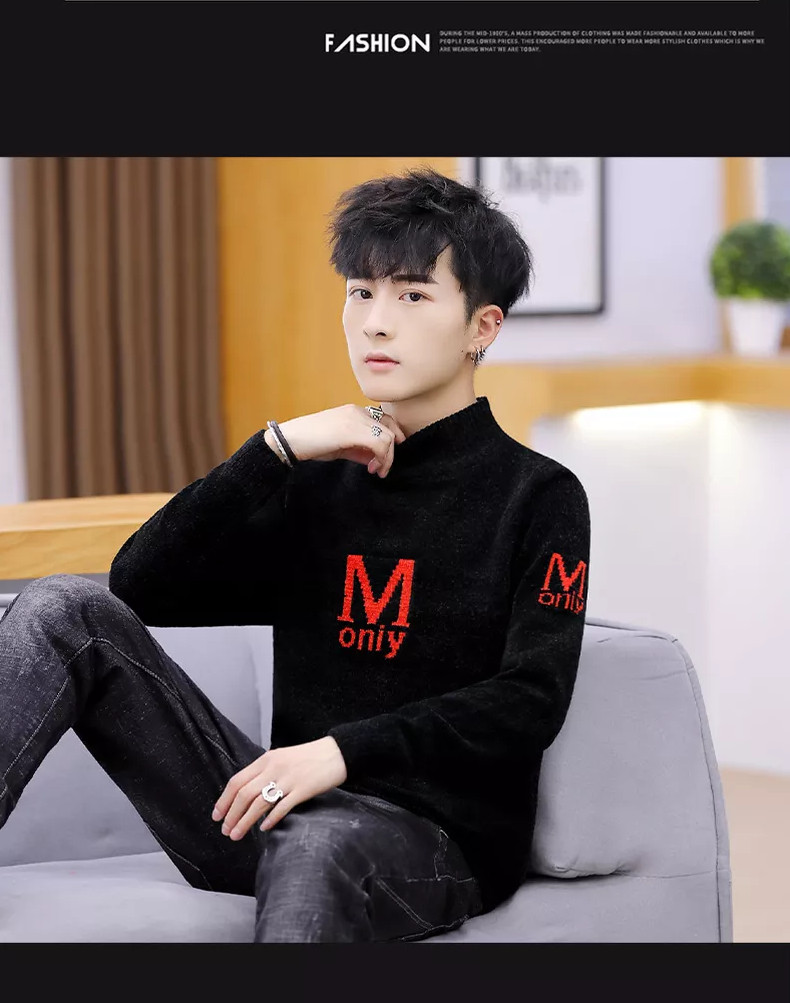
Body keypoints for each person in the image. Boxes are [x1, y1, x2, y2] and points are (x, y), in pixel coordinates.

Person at [0, 165, 590, 942]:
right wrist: (274, 449)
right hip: (273, 809)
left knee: (319, 841)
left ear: (483, 326)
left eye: (413, 296)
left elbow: (531, 699)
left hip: (433, 841)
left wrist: (341, 752)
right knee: (60, 607)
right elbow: (140, 584)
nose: (376, 323)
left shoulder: (538, 494)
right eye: (360, 291)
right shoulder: (317, 481)